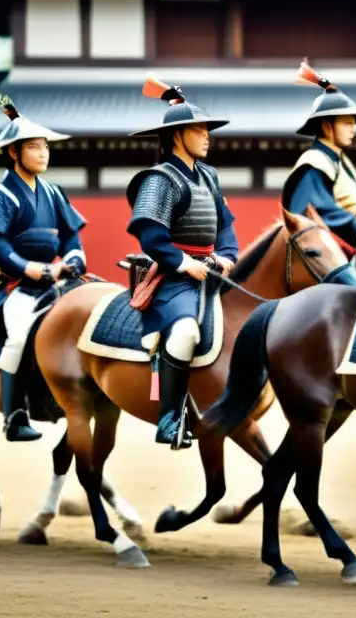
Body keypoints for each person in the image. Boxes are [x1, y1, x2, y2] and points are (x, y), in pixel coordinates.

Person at [0, 93, 88, 442]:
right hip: (15, 284)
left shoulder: (54, 192)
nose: (43, 153)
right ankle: (14, 416)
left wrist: (75, 257)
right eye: (34, 147)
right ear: (13, 152)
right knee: (18, 337)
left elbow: (70, 237)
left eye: (45, 146)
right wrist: (28, 268)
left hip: (55, 278)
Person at [126, 76, 239, 450]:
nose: (207, 136)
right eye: (199, 129)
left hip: (211, 272)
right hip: (174, 277)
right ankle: (170, 417)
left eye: (207, 128)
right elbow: (150, 235)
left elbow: (224, 225)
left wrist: (228, 255)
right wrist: (182, 263)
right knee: (186, 331)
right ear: (177, 135)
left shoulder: (210, 175)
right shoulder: (160, 179)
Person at [281, 60, 356, 287]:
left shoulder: (337, 160)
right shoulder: (314, 163)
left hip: (348, 252)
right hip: (323, 257)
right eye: (346, 123)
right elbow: (319, 214)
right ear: (326, 125)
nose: (353, 129)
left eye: (353, 123)